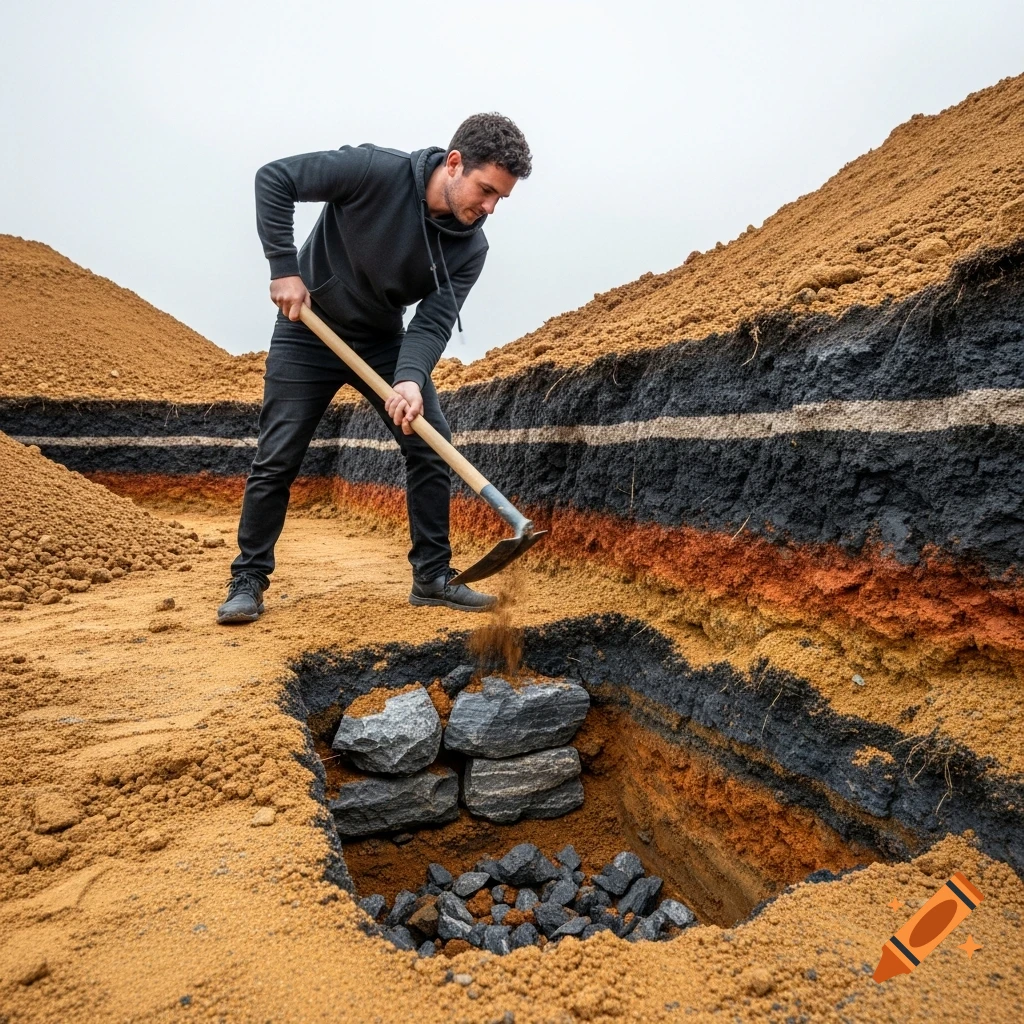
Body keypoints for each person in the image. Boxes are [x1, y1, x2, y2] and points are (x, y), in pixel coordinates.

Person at [216, 113, 532, 624]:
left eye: (501, 199)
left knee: (430, 443)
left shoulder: (471, 246)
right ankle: (247, 579)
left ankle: (432, 578)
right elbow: (274, 178)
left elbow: (433, 321)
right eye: (486, 190)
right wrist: (284, 268)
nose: (489, 207)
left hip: (383, 340)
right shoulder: (372, 171)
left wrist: (408, 378)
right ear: (454, 164)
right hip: (309, 327)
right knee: (278, 457)